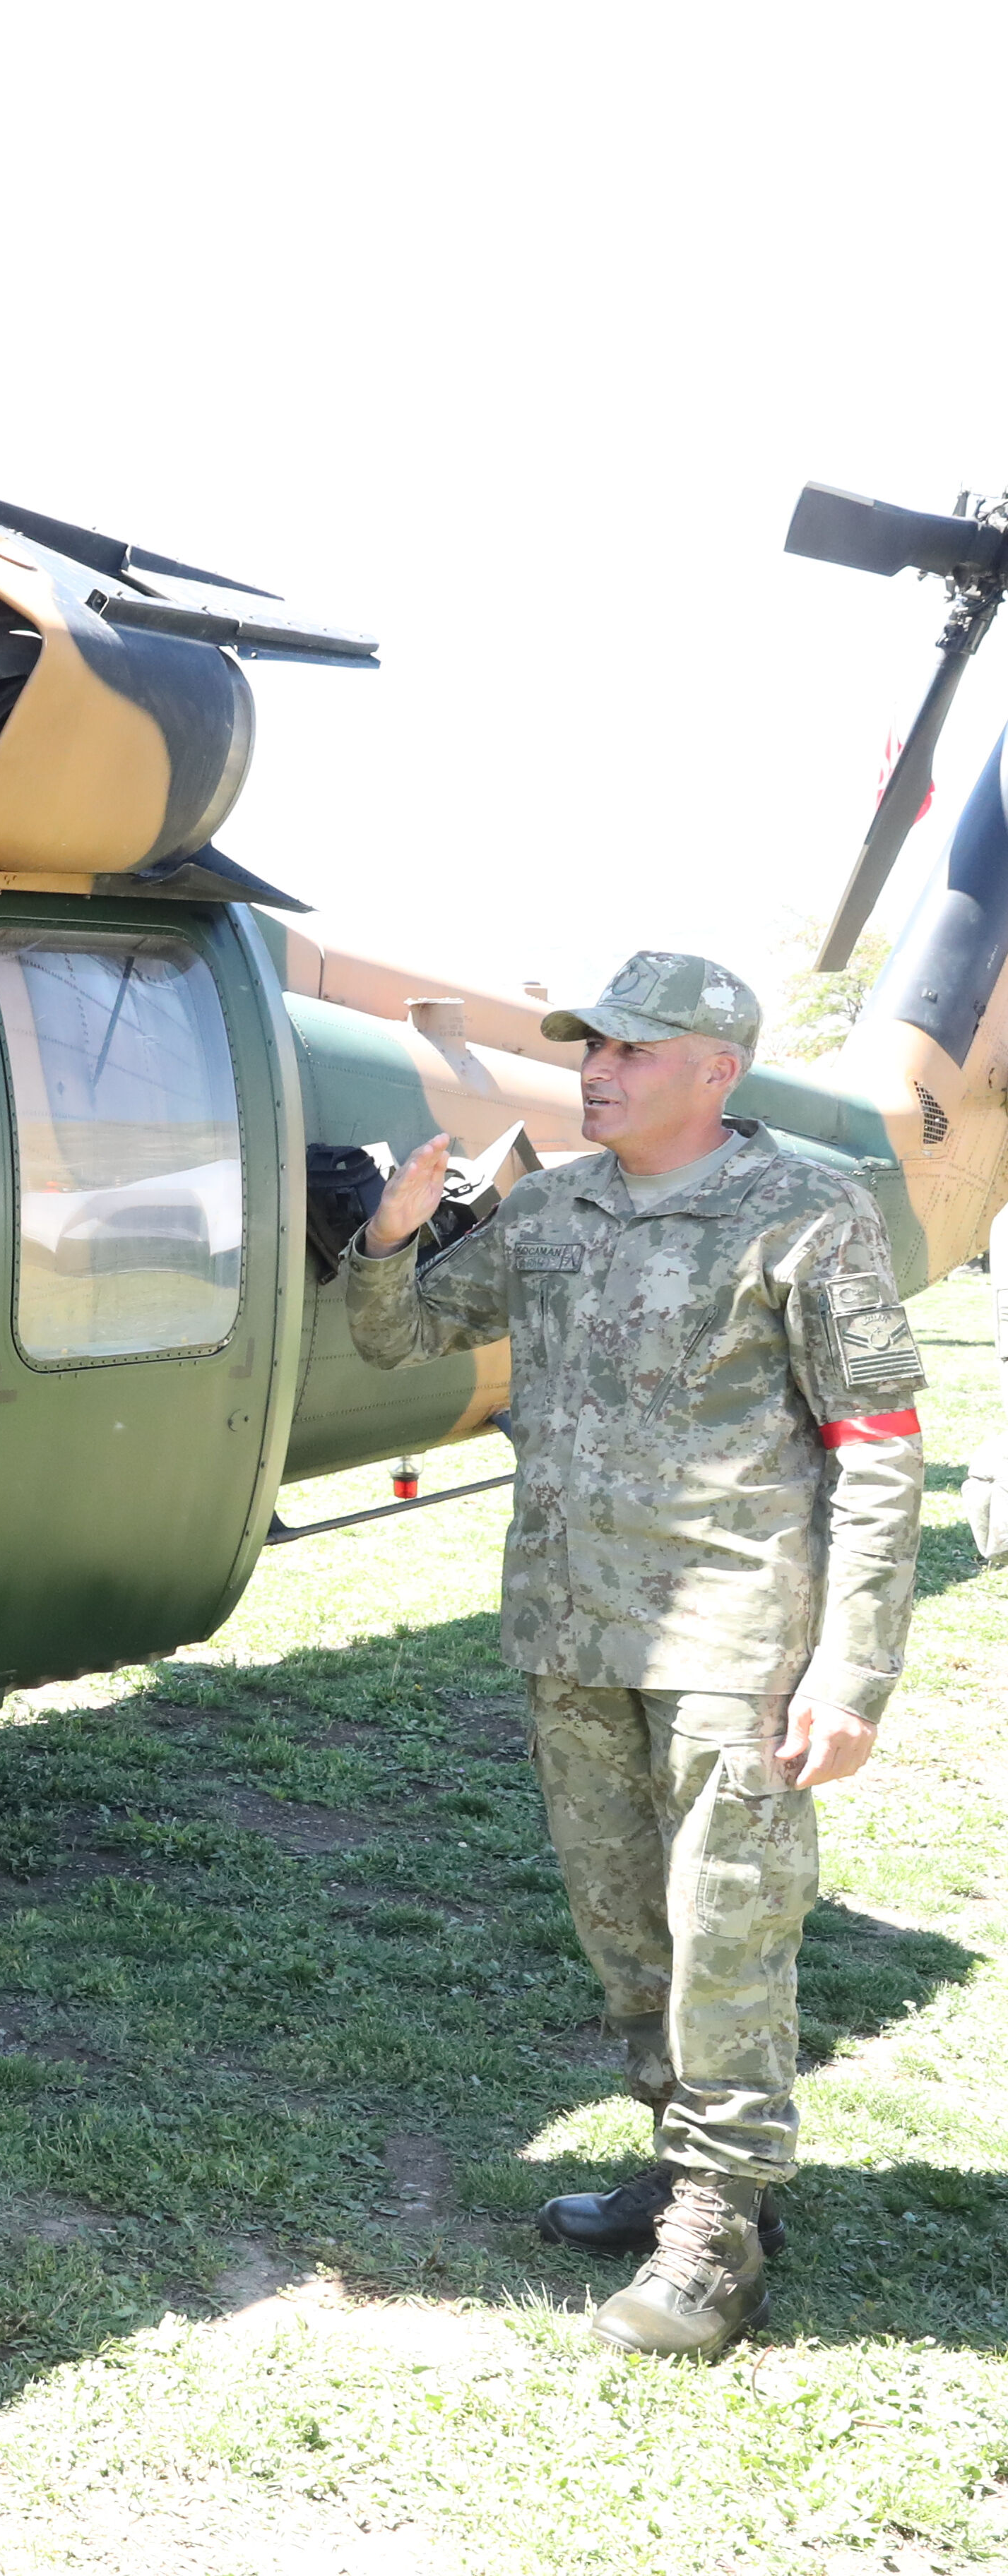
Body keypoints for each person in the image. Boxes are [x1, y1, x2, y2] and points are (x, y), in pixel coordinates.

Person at [344, 951, 923, 2359]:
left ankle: (719, 2244)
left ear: (716, 1072)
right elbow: (402, 1336)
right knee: (629, 1931)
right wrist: (389, 1239)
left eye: (633, 1053)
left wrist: (850, 1671)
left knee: (729, 1932)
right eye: (589, 1048)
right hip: (573, 1627)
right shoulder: (554, 1208)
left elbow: (882, 1451)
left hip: (739, 1637)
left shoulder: (804, 1211)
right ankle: (688, 2168)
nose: (597, 1072)